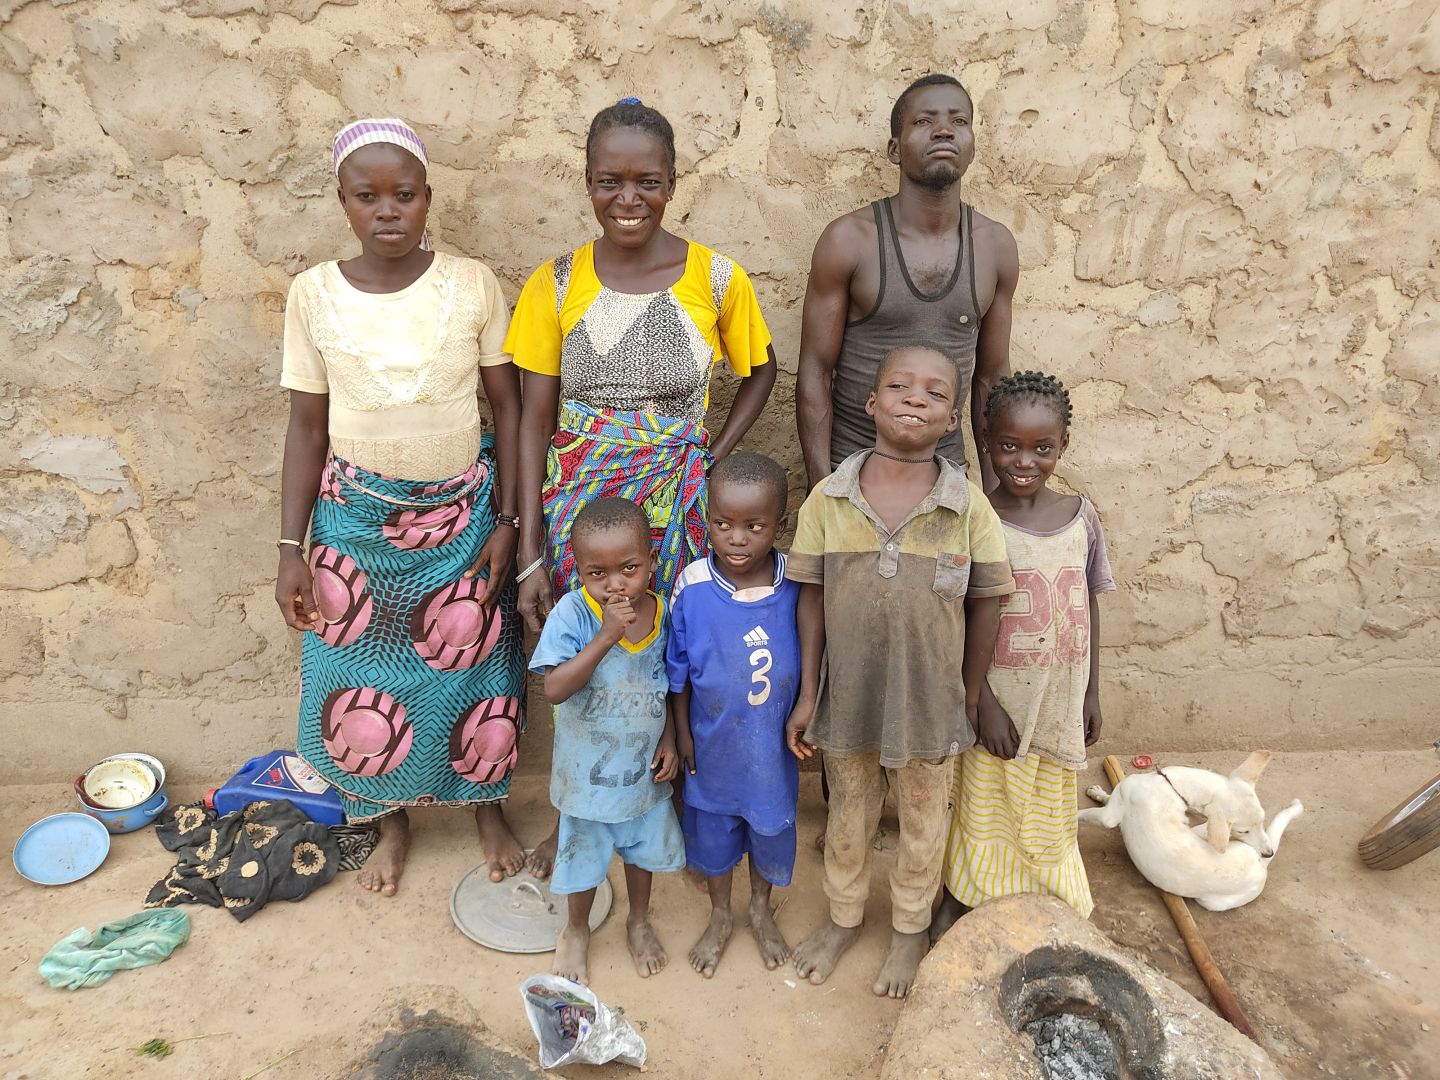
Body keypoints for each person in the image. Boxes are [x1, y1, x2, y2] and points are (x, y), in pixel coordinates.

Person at [507, 98, 778, 877]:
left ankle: (662, 817)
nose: (628, 200)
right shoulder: (554, 283)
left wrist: (711, 455)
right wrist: (530, 552)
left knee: (664, 661)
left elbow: (762, 371)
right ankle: (575, 820)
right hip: (582, 517)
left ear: (672, 182)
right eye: (610, 182)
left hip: (676, 507)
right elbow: (533, 419)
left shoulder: (716, 278)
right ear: (588, 182)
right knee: (589, 665)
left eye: (647, 182)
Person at [276, 118, 527, 897]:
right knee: (355, 676)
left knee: (479, 668)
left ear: (428, 198)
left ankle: (485, 805)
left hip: (464, 520)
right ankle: (387, 818)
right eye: (367, 196)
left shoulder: (471, 284)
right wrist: (289, 550)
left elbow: (510, 410)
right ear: (343, 202)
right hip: (353, 526)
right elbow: (306, 428)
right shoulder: (312, 295)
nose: (388, 210)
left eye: (405, 194)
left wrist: (510, 523)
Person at [783, 344, 1014, 999]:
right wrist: (808, 692)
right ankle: (843, 917)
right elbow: (809, 598)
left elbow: (989, 601)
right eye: (900, 387)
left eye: (936, 393)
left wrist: (968, 693)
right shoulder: (829, 499)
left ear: (952, 420)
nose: (916, 398)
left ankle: (910, 928)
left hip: (929, 702)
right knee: (848, 815)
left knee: (922, 820)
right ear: (870, 402)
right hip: (848, 697)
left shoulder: (967, 506)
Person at [932, 371, 1115, 937]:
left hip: (1058, 700)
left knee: (1047, 811)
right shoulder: (974, 519)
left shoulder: (1081, 516)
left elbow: (1087, 602)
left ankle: (1046, 898)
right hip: (999, 701)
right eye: (1009, 446)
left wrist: (1091, 692)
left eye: (1042, 448)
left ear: (1063, 445)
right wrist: (980, 702)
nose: (1025, 461)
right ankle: (961, 896)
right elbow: (953, 619)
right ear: (986, 441)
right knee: (984, 803)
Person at [795, 74, 1019, 491]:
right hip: (853, 474)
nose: (944, 130)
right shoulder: (850, 240)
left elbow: (992, 379)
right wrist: (821, 489)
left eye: (959, 121)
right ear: (894, 149)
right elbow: (815, 371)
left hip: (946, 480)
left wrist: (996, 498)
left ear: (972, 147)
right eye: (924, 121)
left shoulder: (995, 247)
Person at [529, 497, 684, 984]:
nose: (615, 584)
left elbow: (669, 686)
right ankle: (576, 929)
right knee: (582, 858)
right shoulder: (574, 615)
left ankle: (639, 921)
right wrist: (605, 636)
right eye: (597, 574)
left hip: (642, 774)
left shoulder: (665, 614)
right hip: (586, 779)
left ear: (652, 561)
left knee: (643, 854)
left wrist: (670, 739)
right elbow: (555, 688)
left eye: (629, 569)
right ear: (579, 571)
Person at [666, 452, 800, 978]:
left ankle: (760, 908)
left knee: (769, 828)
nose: (736, 539)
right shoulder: (693, 586)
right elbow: (677, 672)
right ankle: (721, 914)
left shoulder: (797, 585)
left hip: (771, 752)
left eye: (753, 527)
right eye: (723, 524)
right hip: (712, 748)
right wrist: (680, 734)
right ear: (708, 518)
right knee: (715, 837)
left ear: (779, 526)